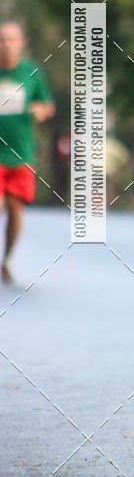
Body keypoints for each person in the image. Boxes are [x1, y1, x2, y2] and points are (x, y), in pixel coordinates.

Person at [0, 21, 54, 285]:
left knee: (14, 211)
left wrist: (40, 111)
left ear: (20, 43)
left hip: (21, 153)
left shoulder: (31, 72)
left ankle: (6, 260)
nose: (6, 45)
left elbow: (46, 105)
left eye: (11, 39)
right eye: (2, 40)